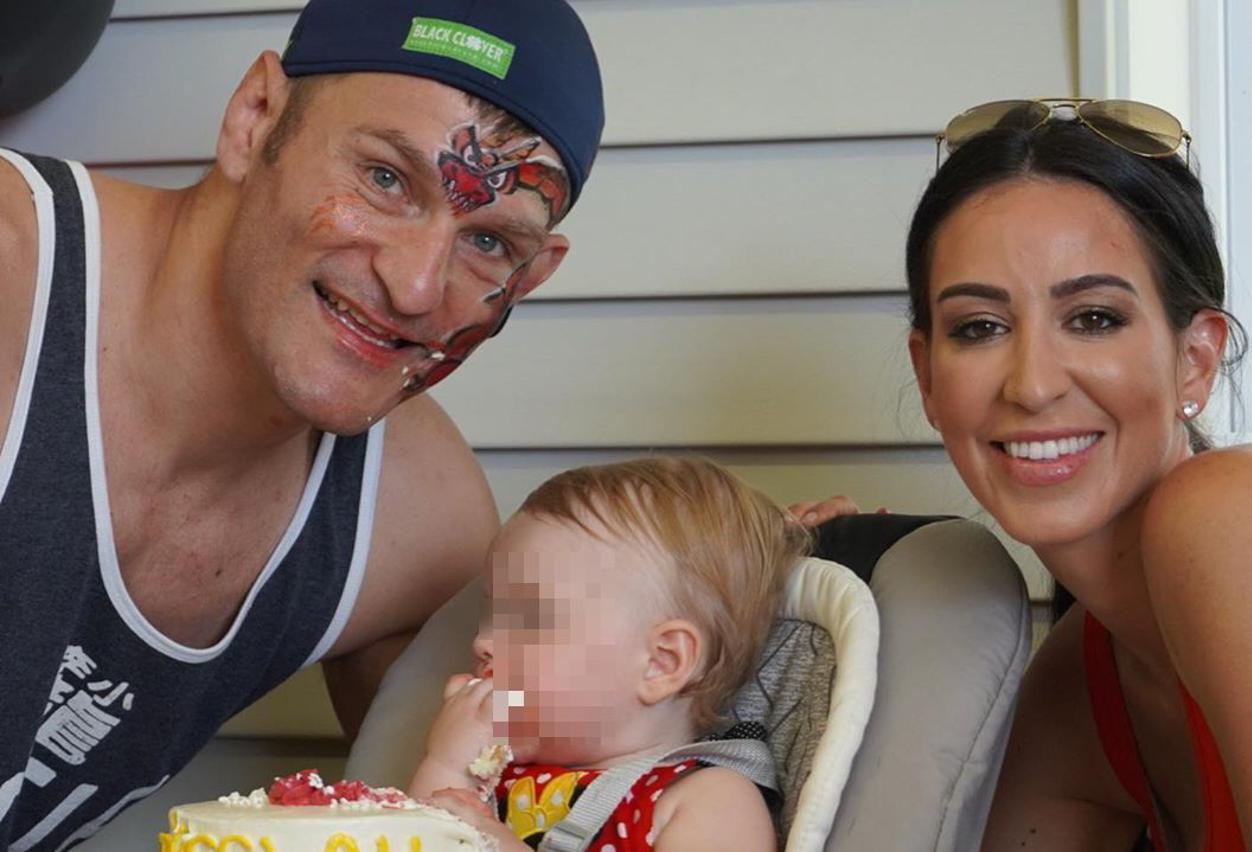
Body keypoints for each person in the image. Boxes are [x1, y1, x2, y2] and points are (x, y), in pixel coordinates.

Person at [0, 0, 603, 847]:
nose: (416, 287)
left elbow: (488, 818)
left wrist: (754, 591)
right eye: (385, 179)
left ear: (531, 278)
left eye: (490, 243)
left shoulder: (414, 522)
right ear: (255, 119)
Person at [902, 100, 1252, 849]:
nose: (1033, 385)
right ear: (929, 378)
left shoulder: (1235, 512)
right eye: (980, 327)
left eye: (1094, 318)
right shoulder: (1079, 686)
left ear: (1195, 359)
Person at [405, 457, 811, 851]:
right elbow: (404, 842)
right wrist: (448, 765)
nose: (483, 643)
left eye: (532, 619)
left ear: (660, 664)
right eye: (492, 616)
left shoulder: (710, 801)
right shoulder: (492, 774)